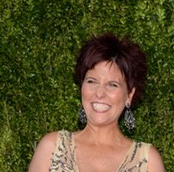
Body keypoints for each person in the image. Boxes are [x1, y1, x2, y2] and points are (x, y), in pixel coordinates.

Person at [29, 33, 165, 171]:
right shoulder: (52, 148)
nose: (99, 93)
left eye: (112, 84)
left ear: (129, 95)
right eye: (92, 81)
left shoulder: (148, 161)